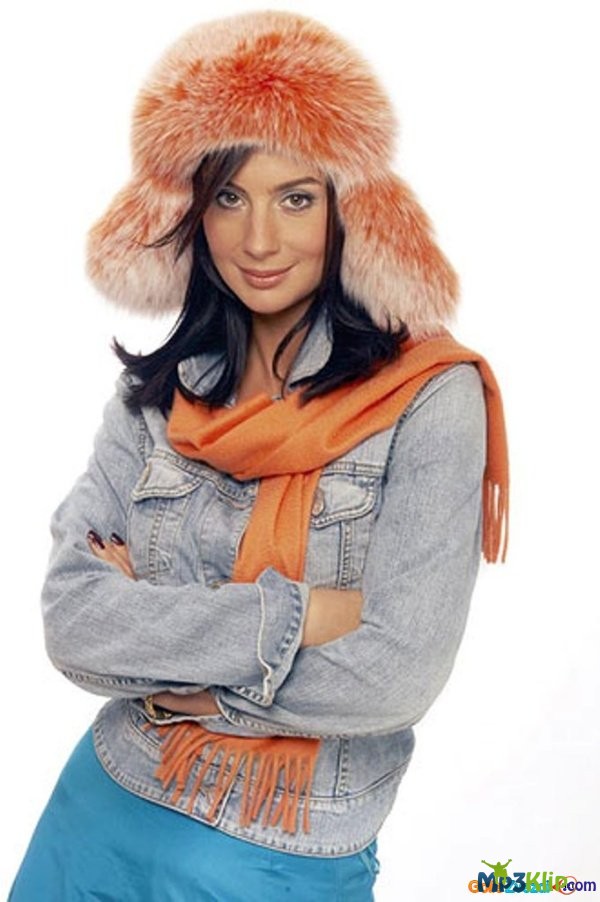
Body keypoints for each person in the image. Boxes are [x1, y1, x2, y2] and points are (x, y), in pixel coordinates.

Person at [9, 10, 509, 901]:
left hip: (278, 851)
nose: (261, 241)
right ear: (191, 211)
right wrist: (299, 617)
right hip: (100, 808)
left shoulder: (430, 400)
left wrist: (192, 686)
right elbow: (72, 620)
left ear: (350, 207)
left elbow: (396, 675)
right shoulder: (156, 396)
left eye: (297, 198)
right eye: (230, 198)